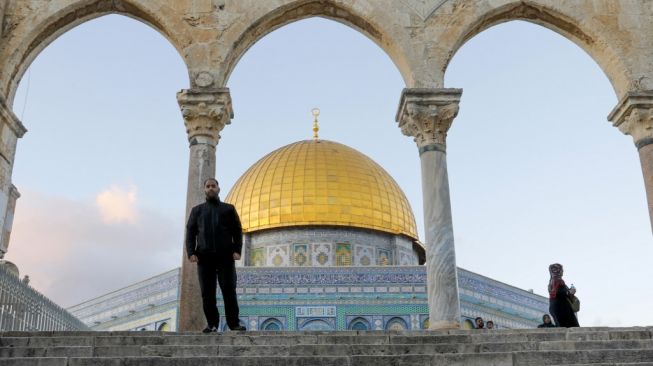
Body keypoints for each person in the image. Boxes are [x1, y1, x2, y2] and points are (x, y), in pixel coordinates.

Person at [186, 178, 246, 333]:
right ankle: (212, 324)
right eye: (208, 186)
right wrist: (191, 252)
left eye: (213, 186)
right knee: (208, 292)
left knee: (228, 290)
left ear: (219, 188)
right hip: (205, 258)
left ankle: (234, 324)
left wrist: (237, 250)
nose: (211, 188)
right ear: (204, 190)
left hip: (225, 257)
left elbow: (237, 230)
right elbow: (191, 232)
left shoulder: (228, 209)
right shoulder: (197, 211)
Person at [547, 263, 579, 328]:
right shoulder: (557, 280)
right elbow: (557, 293)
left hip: (560, 308)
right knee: (570, 328)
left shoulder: (554, 280)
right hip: (561, 309)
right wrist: (569, 292)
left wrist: (569, 292)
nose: (562, 271)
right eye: (561, 270)